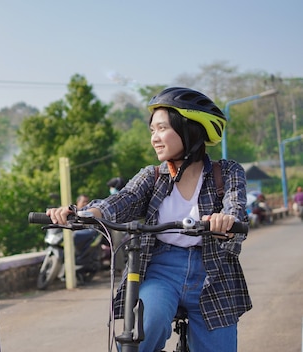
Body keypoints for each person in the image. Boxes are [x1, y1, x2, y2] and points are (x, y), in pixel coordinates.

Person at [47, 87, 250, 351]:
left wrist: (226, 222)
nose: (155, 138)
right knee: (143, 330)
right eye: (152, 131)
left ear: (190, 130)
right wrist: (84, 214)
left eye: (162, 128)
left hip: (213, 273)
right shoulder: (151, 176)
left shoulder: (227, 172)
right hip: (161, 271)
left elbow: (235, 208)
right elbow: (121, 201)